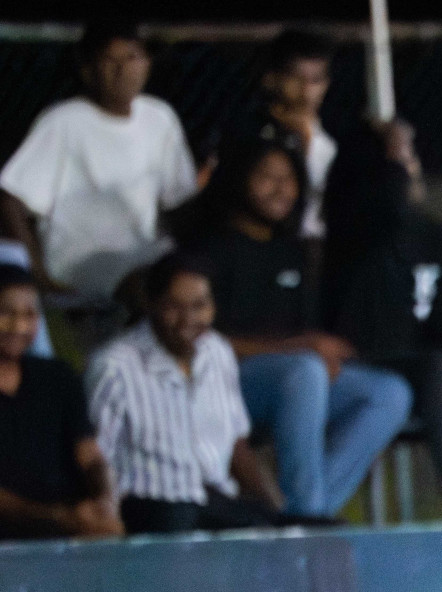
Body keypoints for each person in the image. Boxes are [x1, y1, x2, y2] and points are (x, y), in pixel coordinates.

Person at [182, 135, 412, 519]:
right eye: (267, 177)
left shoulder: (294, 251)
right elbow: (200, 340)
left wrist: (319, 355)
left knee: (389, 393)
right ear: (240, 179)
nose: (280, 189)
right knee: (304, 370)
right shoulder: (209, 250)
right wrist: (302, 351)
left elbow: (305, 339)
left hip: (294, 380)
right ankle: (307, 510)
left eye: (288, 179)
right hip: (224, 383)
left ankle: (306, 514)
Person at [87, 253, 316, 534]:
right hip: (149, 507)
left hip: (213, 502)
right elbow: (94, 456)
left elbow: (237, 444)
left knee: (322, 534)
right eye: (174, 307)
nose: (188, 320)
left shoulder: (217, 351)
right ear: (151, 304)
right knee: (181, 515)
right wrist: (105, 521)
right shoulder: (114, 366)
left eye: (199, 306)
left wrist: (278, 517)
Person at [323, 119, 442, 519]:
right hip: (374, 359)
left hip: (429, 360)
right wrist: (391, 154)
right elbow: (387, 209)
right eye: (399, 162)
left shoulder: (434, 235)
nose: (410, 169)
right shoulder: (355, 231)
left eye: (410, 160)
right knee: (435, 369)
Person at [0, 19, 197, 322]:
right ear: (88, 70)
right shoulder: (63, 121)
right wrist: (38, 277)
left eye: (132, 57)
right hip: (81, 263)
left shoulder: (160, 117)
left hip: (148, 254)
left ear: (147, 63)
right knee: (154, 292)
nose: (123, 70)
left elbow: (179, 201)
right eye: (110, 60)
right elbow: (10, 198)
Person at [0, 265, 122, 541]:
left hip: (71, 524)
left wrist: (105, 499)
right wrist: (58, 518)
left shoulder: (58, 377)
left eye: (29, 314)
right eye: (6, 313)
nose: (19, 326)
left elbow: (89, 454)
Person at [226, 28, 337, 240]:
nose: (306, 91)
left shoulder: (334, 137)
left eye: (315, 80)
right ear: (271, 78)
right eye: (296, 78)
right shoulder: (247, 133)